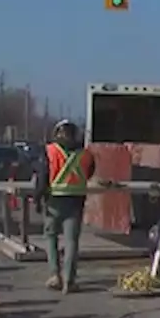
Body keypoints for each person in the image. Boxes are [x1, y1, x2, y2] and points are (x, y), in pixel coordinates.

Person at [33, 119, 95, 294]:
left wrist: (37, 199)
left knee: (51, 237)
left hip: (54, 201)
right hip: (76, 201)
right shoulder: (86, 154)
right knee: (71, 241)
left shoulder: (49, 151)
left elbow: (42, 177)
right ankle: (69, 280)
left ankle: (55, 275)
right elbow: (90, 172)